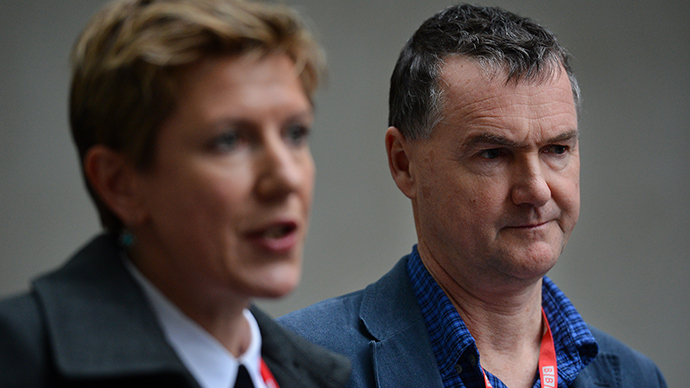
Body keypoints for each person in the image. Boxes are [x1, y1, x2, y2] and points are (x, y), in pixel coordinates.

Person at [279, 4, 666, 388]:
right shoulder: (295, 367)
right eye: (493, 154)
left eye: (557, 150)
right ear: (404, 164)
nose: (536, 189)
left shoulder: (636, 378)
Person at [0, 0, 351, 387]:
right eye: (229, 140)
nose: (286, 178)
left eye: (295, 133)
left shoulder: (324, 377)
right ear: (120, 184)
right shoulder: (20, 359)